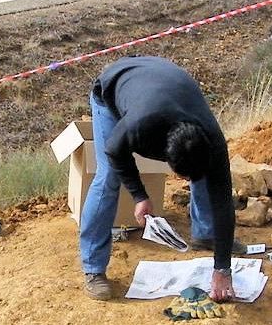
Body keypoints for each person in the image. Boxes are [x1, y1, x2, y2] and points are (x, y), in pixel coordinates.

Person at [78, 56, 237, 303]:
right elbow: (114, 151)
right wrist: (139, 196)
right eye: (183, 176)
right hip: (111, 89)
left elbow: (223, 201)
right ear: (167, 159)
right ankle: (93, 269)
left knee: (209, 177)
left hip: (162, 82)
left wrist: (223, 269)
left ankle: (206, 234)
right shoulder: (140, 126)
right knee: (108, 176)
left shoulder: (212, 141)